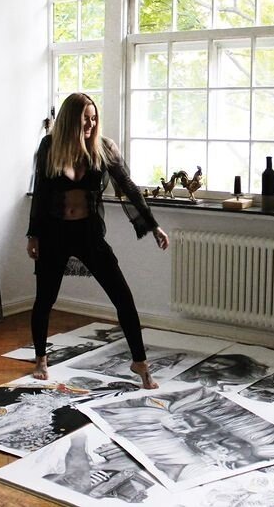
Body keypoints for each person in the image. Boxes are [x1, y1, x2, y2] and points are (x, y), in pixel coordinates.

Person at [26, 92, 169, 387]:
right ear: (70, 120)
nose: (91, 124)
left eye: (94, 118)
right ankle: (40, 356)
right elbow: (40, 192)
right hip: (54, 233)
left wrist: (153, 225)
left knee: (123, 297)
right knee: (45, 299)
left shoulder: (103, 148)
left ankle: (140, 362)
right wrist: (33, 234)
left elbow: (128, 186)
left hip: (88, 232)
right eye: (85, 119)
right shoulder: (49, 146)